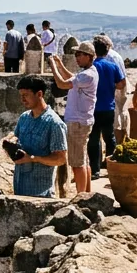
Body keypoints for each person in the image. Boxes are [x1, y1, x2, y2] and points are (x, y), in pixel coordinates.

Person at [48, 42, 98, 194]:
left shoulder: (87, 75)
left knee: (77, 163)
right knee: (84, 161)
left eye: (79, 55)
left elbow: (62, 84)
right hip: (83, 121)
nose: (76, 58)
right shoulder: (89, 73)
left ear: (88, 56)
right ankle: (86, 193)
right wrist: (60, 64)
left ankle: (81, 196)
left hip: (77, 123)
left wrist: (53, 66)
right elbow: (71, 77)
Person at [8, 75, 68, 197]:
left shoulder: (54, 123)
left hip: (41, 193)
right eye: (21, 95)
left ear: (39, 94)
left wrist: (32, 158)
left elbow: (60, 159)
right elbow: (17, 139)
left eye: (26, 95)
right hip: (19, 189)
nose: (23, 99)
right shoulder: (24, 118)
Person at [88, 36, 127, 179]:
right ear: (107, 49)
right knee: (109, 138)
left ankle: (95, 170)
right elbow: (122, 83)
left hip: (93, 108)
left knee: (94, 139)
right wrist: (111, 86)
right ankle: (112, 166)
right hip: (109, 107)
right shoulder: (112, 66)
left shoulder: (92, 67)